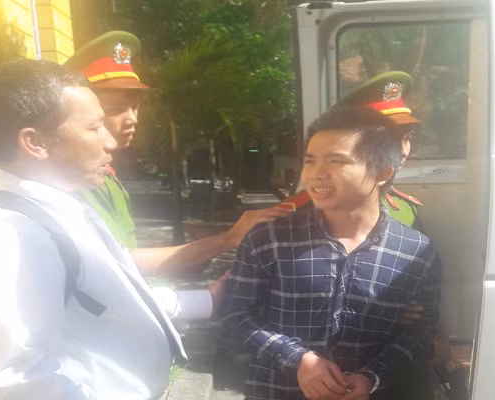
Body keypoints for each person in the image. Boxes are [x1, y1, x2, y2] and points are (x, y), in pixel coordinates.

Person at [0, 59, 228, 400]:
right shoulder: (9, 236)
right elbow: (22, 384)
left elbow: (107, 304)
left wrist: (205, 300)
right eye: (94, 127)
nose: (110, 142)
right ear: (35, 142)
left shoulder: (57, 210)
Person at [221, 106, 442, 400]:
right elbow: (234, 315)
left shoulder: (416, 252)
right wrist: (298, 359)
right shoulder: (269, 239)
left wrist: (371, 377)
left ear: (382, 172)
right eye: (310, 161)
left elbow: (420, 331)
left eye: (336, 161)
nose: (317, 174)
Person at [65, 31, 289, 272]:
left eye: (135, 107)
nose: (132, 119)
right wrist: (226, 240)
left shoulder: (107, 175)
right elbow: (120, 263)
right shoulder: (70, 183)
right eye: (115, 109)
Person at [279, 71, 423, 230]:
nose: (403, 151)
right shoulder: (291, 217)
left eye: (407, 138)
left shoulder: (405, 211)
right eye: (385, 143)